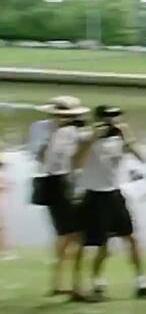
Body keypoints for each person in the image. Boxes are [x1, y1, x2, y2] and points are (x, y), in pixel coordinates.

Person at [71, 105, 146, 302]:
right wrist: (93, 138)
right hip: (93, 196)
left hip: (114, 194)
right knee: (92, 245)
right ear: (98, 119)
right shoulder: (86, 137)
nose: (112, 122)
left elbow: (144, 158)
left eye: (116, 118)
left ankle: (143, 284)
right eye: (108, 118)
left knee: (132, 239)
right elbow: (75, 163)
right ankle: (87, 286)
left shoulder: (119, 138)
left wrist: (128, 137)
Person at [27, 96, 89, 296]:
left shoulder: (77, 130)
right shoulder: (41, 128)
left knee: (74, 235)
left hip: (71, 180)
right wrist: (53, 136)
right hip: (52, 181)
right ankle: (64, 283)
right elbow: (38, 156)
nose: (65, 118)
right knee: (68, 234)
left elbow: (82, 157)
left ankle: (66, 282)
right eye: (61, 114)